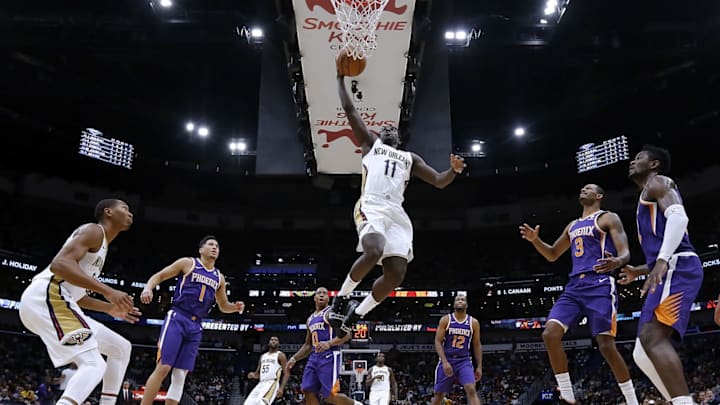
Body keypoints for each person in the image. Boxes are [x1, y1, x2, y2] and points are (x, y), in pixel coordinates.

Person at [330, 63, 467, 336]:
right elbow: (349, 110)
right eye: (385, 128)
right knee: (374, 249)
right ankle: (341, 298)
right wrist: (340, 77)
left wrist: (453, 171)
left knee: (396, 274)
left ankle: (356, 314)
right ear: (380, 135)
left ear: (400, 137)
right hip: (372, 204)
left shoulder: (410, 158)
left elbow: (439, 182)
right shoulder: (371, 144)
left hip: (396, 213)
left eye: (393, 128)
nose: (389, 128)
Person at [519, 184, 639, 404]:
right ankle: (567, 396)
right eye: (582, 188)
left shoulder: (608, 218)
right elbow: (553, 254)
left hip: (599, 283)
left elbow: (625, 252)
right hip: (574, 287)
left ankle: (632, 400)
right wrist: (536, 241)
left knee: (605, 345)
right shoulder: (572, 225)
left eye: (589, 188)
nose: (583, 190)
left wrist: (618, 261)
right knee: (549, 334)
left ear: (599, 196)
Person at [19, 199, 138, 405]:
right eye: (125, 208)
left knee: (121, 348)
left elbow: (78, 296)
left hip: (58, 301)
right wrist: (109, 291)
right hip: (47, 296)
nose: (130, 213)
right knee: (94, 364)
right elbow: (59, 264)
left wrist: (109, 308)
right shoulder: (94, 231)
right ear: (108, 212)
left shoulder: (103, 247)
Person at [618, 145, 703, 405]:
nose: (632, 161)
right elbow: (663, 246)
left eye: (639, 158)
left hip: (679, 266)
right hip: (669, 266)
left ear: (654, 164)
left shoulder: (659, 182)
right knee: (641, 351)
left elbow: (679, 219)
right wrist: (640, 270)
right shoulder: (646, 194)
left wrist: (663, 260)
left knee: (653, 339)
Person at [139, 235, 245, 405]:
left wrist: (235, 307)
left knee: (180, 375)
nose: (214, 247)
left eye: (217, 246)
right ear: (201, 249)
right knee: (164, 367)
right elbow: (159, 275)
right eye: (210, 244)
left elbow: (223, 305)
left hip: (196, 325)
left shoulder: (220, 277)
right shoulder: (188, 263)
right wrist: (148, 288)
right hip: (178, 317)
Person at [285, 287, 362, 405]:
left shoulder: (332, 313)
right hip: (314, 357)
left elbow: (347, 335)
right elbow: (308, 344)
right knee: (307, 390)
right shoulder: (310, 319)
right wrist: (294, 358)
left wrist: (329, 343)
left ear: (328, 298)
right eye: (319, 293)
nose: (321, 295)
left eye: (324, 293)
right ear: (314, 298)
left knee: (330, 395)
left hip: (330, 355)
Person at [431, 295, 482, 405]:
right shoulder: (446, 320)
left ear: (466, 305)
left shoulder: (473, 322)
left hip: (464, 361)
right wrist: (444, 362)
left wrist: (479, 366)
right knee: (439, 395)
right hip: (447, 359)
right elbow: (437, 341)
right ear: (454, 304)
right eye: (457, 300)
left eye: (463, 300)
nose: (460, 301)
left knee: (471, 389)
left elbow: (477, 345)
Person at [245, 336, 290, 405]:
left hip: (272, 383)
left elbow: (286, 373)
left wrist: (281, 388)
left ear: (278, 344)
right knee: (248, 403)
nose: (274, 341)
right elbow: (257, 374)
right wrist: (253, 375)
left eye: (276, 340)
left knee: (262, 403)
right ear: (269, 343)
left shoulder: (280, 355)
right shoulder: (263, 356)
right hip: (261, 383)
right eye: (272, 340)